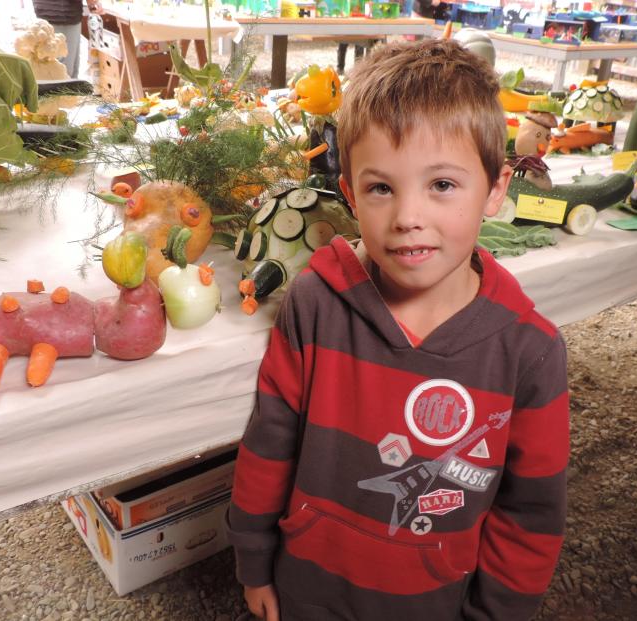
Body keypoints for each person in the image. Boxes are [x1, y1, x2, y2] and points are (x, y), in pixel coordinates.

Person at [226, 39, 569, 621]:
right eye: (382, 187)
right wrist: (254, 560)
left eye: (441, 185)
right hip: (304, 587)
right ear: (350, 198)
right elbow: (268, 446)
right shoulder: (314, 302)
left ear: (495, 189)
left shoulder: (530, 352)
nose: (409, 216)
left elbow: (531, 514)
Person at [31, 0, 104, 78]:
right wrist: (93, 2)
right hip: (63, 13)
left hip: (49, 11)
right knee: (64, 72)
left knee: (60, 69)